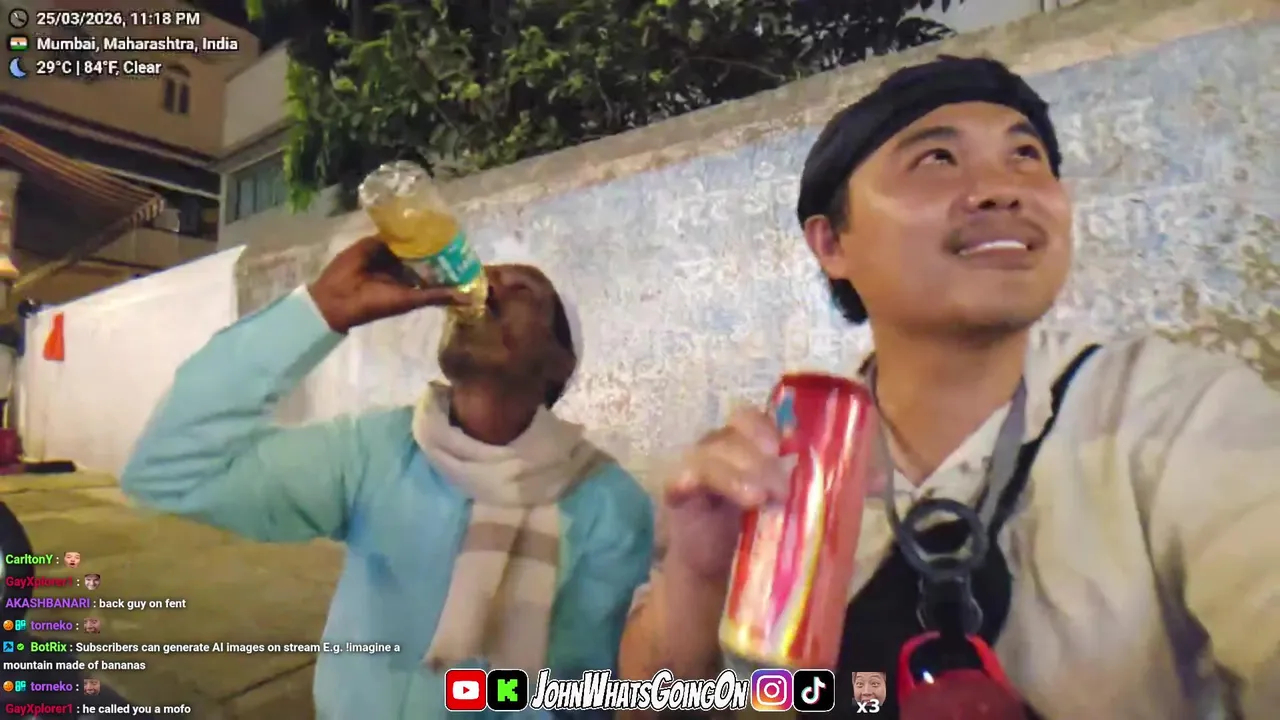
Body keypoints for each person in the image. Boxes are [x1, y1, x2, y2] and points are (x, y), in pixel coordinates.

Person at [619, 56, 1280, 719]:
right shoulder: (783, 462)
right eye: (936, 159)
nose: (1002, 189)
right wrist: (697, 577)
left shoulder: (1178, 413)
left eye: (1026, 156)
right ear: (832, 243)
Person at [121, 236, 654, 719]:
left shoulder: (607, 506)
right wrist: (318, 312)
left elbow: (587, 694)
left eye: (524, 292)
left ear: (561, 363)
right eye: (483, 279)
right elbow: (169, 471)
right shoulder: (374, 451)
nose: (489, 289)